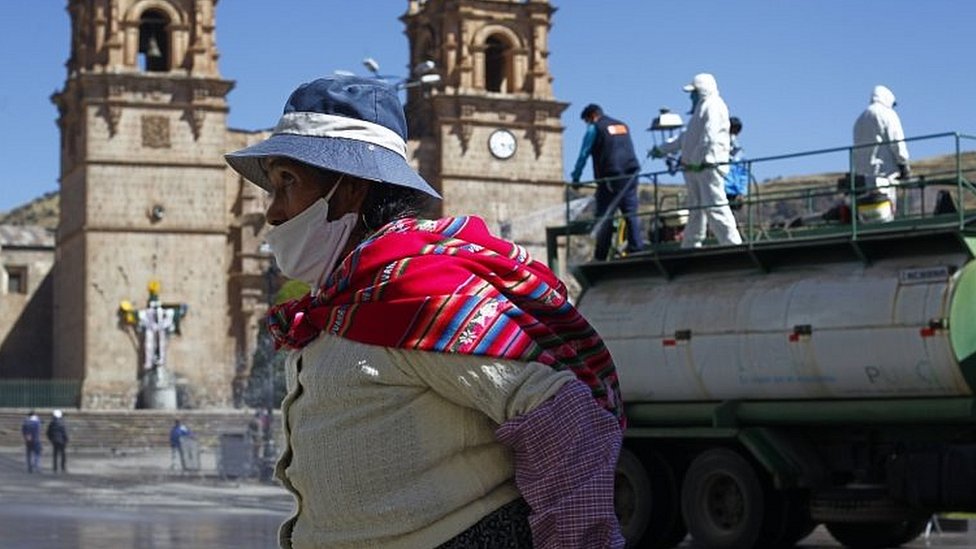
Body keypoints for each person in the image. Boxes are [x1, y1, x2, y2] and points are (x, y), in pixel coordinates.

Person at [225, 75, 625, 549]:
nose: (273, 212)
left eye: (286, 183)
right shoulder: (348, 302)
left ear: (349, 189)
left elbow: (564, 419)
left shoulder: (421, 296)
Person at [651, 73, 743, 248]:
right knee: (696, 208)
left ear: (702, 90)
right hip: (696, 168)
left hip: (707, 166)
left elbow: (710, 136)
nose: (691, 96)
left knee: (715, 205)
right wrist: (662, 149)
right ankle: (691, 242)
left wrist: (699, 159)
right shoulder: (701, 109)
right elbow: (685, 138)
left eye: (693, 92)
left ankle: (732, 243)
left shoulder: (713, 106)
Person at [570, 103, 644, 260]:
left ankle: (601, 254)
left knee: (604, 216)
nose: (588, 124)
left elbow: (584, 154)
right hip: (631, 174)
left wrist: (576, 177)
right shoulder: (622, 125)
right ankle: (636, 247)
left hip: (611, 177)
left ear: (592, 116)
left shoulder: (595, 128)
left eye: (587, 121)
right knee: (630, 213)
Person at [852, 85, 910, 213]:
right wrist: (904, 165)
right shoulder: (888, 114)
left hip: (863, 179)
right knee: (886, 210)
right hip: (884, 174)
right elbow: (897, 142)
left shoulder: (860, 120)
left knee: (868, 212)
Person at [724, 116, 749, 210]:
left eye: (735, 131)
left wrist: (742, 191)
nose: (733, 134)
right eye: (731, 130)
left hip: (734, 190)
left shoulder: (739, 152)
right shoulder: (718, 148)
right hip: (722, 188)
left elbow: (743, 173)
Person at [46, 409, 69, 473]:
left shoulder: (52, 423)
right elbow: (64, 432)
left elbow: (48, 432)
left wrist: (51, 439)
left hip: (54, 440)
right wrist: (66, 439)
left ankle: (55, 468)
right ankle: (63, 467)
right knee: (63, 454)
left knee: (55, 454)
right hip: (62, 440)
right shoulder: (62, 422)